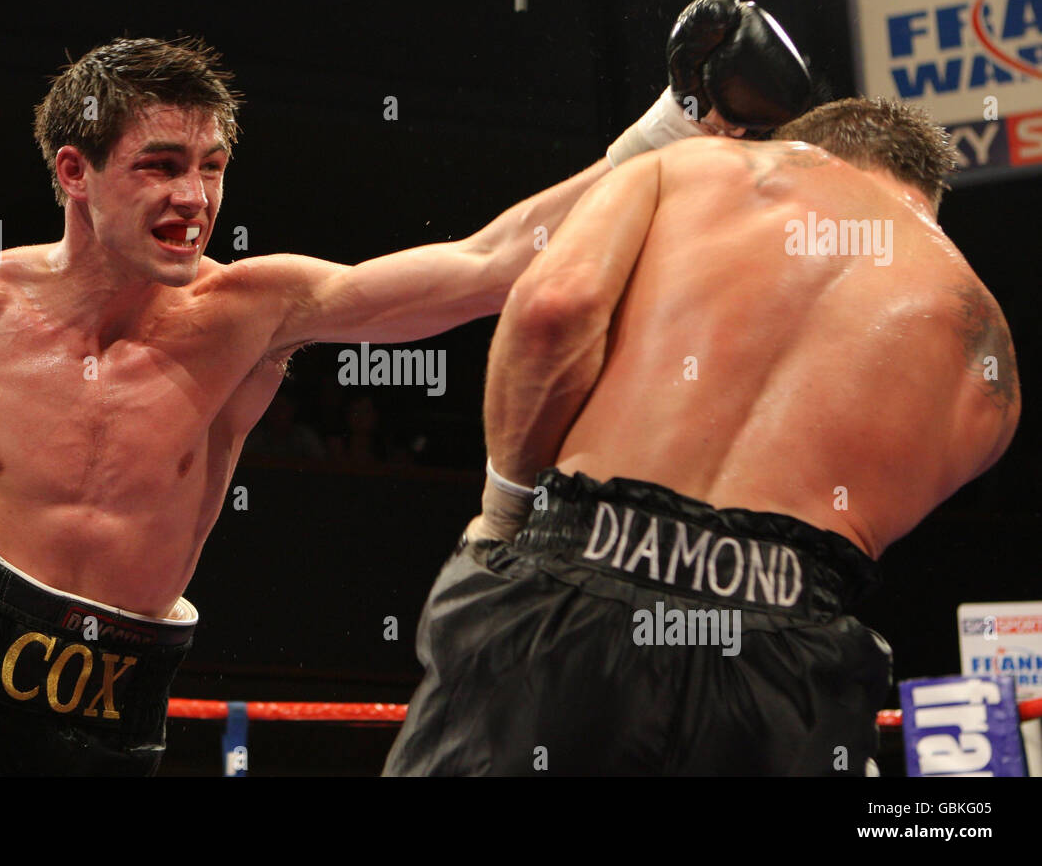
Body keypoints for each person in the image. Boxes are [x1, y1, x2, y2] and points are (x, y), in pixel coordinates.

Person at [0, 0, 811, 775]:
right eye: (159, 166)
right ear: (74, 171)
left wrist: (674, 128)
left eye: (210, 166)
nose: (193, 197)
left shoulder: (250, 312)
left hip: (116, 698)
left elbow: (486, 264)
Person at [382, 96, 1021, 776]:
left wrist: (507, 511)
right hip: (788, 663)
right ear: (927, 197)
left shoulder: (690, 168)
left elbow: (552, 309)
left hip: (581, 581)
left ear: (798, 145)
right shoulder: (986, 340)